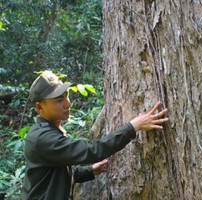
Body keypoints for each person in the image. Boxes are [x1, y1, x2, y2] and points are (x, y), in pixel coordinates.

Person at [22, 71, 169, 200]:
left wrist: (89, 171)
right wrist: (133, 127)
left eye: (66, 96)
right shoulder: (42, 138)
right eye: (59, 100)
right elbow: (92, 150)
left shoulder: (47, 131)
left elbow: (54, 175)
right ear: (40, 107)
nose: (68, 104)